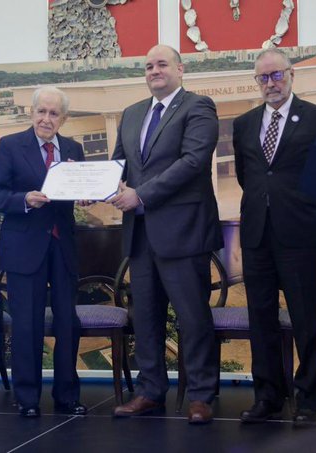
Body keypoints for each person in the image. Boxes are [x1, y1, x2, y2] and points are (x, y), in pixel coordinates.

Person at [108, 44, 223, 424]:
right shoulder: (131, 113)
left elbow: (192, 162)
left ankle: (202, 396)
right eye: (148, 66)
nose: (154, 70)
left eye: (161, 64)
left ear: (180, 69)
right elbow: (119, 165)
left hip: (184, 233)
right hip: (141, 236)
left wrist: (140, 194)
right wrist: (99, 185)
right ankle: (150, 391)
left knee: (192, 318)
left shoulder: (198, 107)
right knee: (146, 319)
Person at [232, 48, 316, 427]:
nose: (271, 83)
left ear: (291, 74)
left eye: (277, 75)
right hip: (257, 234)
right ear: (256, 82)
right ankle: (268, 397)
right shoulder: (243, 124)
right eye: (263, 77)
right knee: (261, 320)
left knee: (307, 320)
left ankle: (307, 401)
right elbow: (247, 176)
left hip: (302, 233)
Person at [0, 87, 86, 418]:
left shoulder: (73, 148)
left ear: (63, 118)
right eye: (41, 111)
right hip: (24, 247)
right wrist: (24, 200)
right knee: (26, 325)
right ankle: (27, 398)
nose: (46, 119)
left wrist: (87, 194)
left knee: (67, 323)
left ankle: (67, 396)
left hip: (63, 247)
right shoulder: (10, 145)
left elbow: (80, 190)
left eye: (54, 113)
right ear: (31, 112)